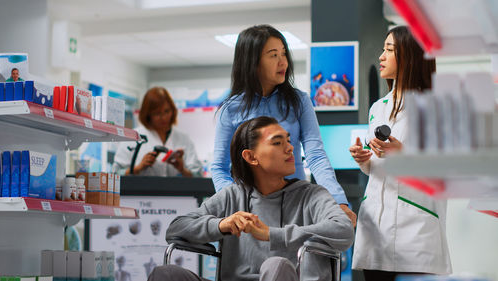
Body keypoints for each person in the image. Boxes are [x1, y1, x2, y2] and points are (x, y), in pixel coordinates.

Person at [148, 116, 354, 281]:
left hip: (284, 276)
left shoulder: (311, 195)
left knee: (277, 265)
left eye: (288, 141)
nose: (290, 148)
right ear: (251, 157)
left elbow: (343, 229)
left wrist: (272, 234)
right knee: (164, 274)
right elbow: (175, 228)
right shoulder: (232, 195)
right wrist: (221, 225)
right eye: (277, 142)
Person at [210, 24, 356, 226]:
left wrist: (337, 201)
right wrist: (236, 206)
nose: (283, 62)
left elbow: (315, 155)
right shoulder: (231, 109)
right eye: (273, 55)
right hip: (249, 214)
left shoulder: (299, 101)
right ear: (253, 62)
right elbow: (219, 168)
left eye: (284, 53)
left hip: (294, 205)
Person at [349, 26, 452, 281]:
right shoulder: (377, 108)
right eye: (383, 50)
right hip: (375, 227)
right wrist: (364, 160)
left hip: (415, 229)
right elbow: (377, 164)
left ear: (410, 56)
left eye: (389, 50)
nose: (381, 56)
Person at [114, 87, 202, 177]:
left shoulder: (183, 138)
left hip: (175, 190)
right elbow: (116, 173)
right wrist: (138, 168)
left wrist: (182, 169)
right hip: (141, 191)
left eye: (167, 111)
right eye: (157, 113)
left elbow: (198, 175)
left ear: (173, 110)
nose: (163, 117)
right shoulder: (132, 137)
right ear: (148, 114)